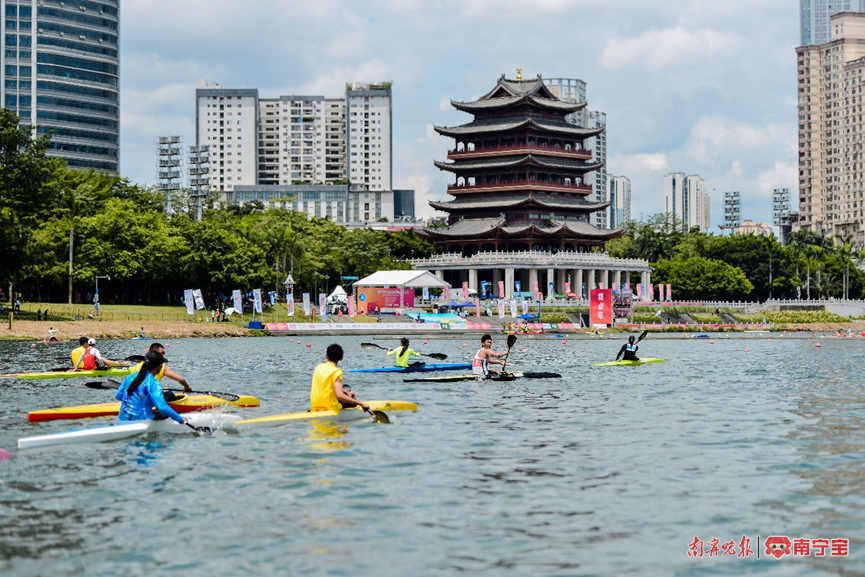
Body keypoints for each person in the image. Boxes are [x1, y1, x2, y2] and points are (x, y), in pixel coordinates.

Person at [115, 351, 186, 425]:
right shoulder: (154, 383)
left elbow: (118, 396)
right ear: (160, 366)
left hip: (122, 419)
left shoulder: (130, 377)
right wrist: (180, 420)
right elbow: (162, 407)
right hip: (143, 421)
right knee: (163, 413)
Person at [310, 343, 369, 413]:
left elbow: (326, 387)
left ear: (326, 356)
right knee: (354, 404)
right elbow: (339, 395)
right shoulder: (336, 371)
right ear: (341, 358)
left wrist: (345, 392)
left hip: (315, 406)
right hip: (331, 407)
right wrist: (360, 403)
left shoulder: (318, 367)